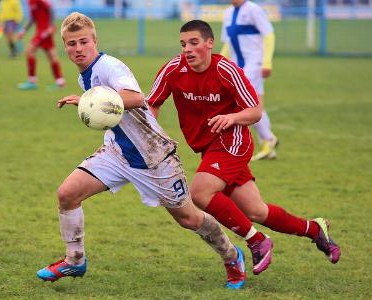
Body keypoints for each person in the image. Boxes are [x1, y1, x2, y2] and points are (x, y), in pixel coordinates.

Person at [36, 12, 247, 290]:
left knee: (189, 218)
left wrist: (92, 99)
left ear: (94, 40)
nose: (77, 49)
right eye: (71, 44)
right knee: (67, 194)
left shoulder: (110, 66)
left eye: (83, 42)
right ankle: (74, 259)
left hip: (154, 158)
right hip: (117, 153)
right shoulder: (84, 76)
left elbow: (136, 98)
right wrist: (90, 101)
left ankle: (232, 256)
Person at [147, 20, 341, 268]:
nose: (188, 49)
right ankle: (315, 229)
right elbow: (152, 103)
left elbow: (255, 111)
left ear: (209, 43)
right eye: (184, 44)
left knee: (199, 192)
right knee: (256, 212)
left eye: (194, 43)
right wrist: (150, 135)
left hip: (232, 142)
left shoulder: (226, 70)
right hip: (208, 147)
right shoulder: (173, 69)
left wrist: (231, 117)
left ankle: (257, 241)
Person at [220, 0, 277, 161]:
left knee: (245, 103)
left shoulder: (254, 10)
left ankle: (267, 140)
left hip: (254, 65)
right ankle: (268, 142)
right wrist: (221, 63)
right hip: (238, 67)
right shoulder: (228, 13)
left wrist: (266, 62)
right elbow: (228, 43)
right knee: (254, 104)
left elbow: (269, 35)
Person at [16, 0, 65, 90]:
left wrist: (50, 26)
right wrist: (23, 31)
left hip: (45, 31)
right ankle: (60, 82)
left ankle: (32, 81)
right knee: (51, 55)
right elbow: (32, 19)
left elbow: (51, 9)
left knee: (29, 50)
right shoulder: (30, 2)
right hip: (41, 31)